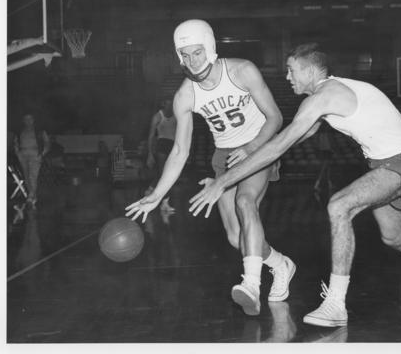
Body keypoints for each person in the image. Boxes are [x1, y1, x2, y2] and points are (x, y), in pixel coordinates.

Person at [189, 43, 401, 327]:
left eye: (291, 70)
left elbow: (279, 147)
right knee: (394, 237)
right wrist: (254, 150)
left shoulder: (323, 97)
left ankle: (335, 303)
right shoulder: (327, 95)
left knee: (340, 205)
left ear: (309, 70)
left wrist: (223, 181)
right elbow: (295, 137)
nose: (287, 77)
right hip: (390, 164)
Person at [126, 19, 296, 316]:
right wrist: (157, 194)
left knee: (246, 202)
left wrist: (251, 148)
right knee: (235, 238)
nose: (192, 61)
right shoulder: (185, 96)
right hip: (225, 155)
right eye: (186, 55)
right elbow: (180, 150)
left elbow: (276, 118)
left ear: (210, 48)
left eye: (197, 52)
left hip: (259, 146)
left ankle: (252, 286)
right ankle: (280, 264)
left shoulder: (242, 70)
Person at [146, 98, 177, 213]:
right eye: (167, 104)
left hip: (173, 146)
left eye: (171, 104)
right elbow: (150, 136)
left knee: (170, 174)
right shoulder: (157, 117)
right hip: (162, 145)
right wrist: (150, 154)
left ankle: (150, 189)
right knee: (164, 174)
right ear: (163, 104)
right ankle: (164, 203)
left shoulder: (177, 114)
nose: (169, 106)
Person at [14, 113, 50, 208]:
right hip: (23, 154)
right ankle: (33, 195)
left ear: (34, 120)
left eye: (30, 119)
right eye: (26, 119)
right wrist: (17, 153)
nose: (28, 121)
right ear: (23, 120)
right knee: (26, 176)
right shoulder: (20, 131)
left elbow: (47, 142)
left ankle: (30, 196)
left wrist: (42, 154)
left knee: (32, 176)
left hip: (35, 154)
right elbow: (16, 142)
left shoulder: (40, 131)